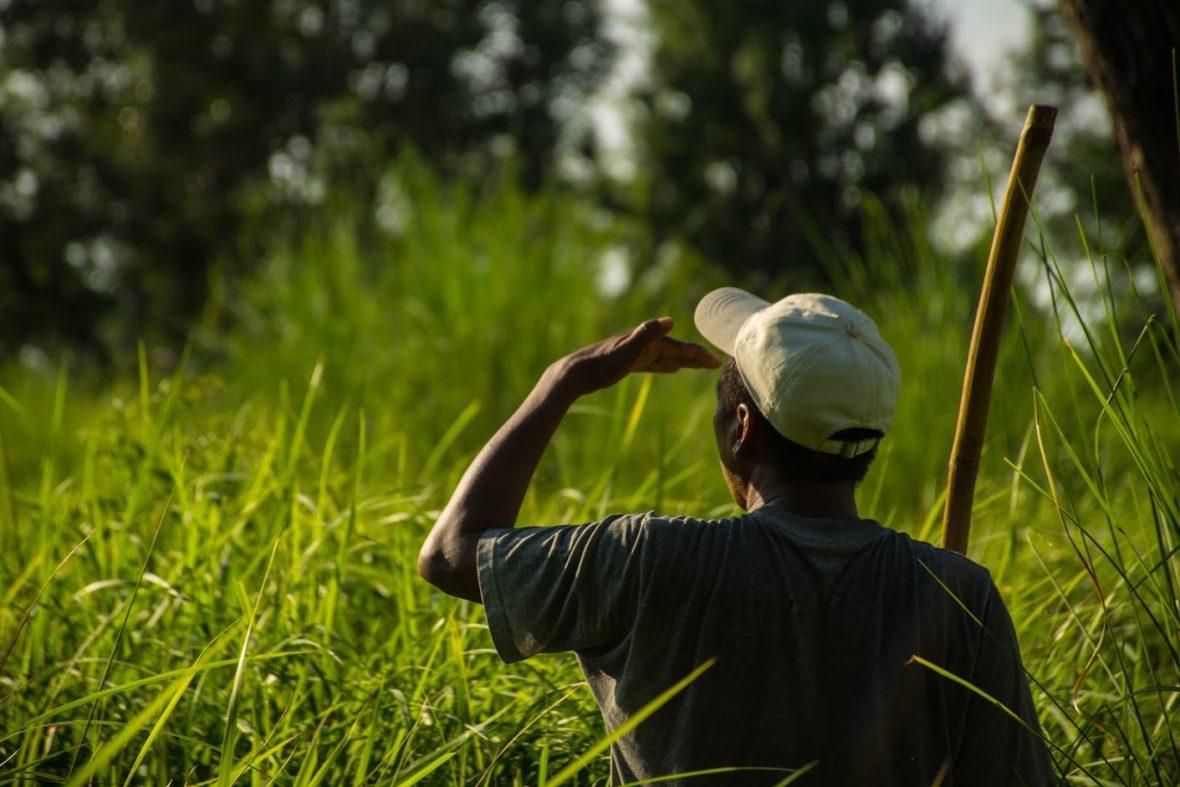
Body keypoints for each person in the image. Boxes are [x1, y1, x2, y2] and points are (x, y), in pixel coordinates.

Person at [418, 288, 1053, 785]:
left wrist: (564, 378)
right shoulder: (956, 594)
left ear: (740, 428)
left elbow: (450, 553)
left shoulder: (651, 562)